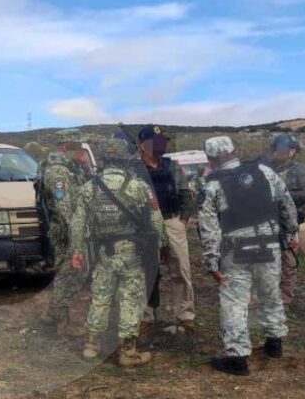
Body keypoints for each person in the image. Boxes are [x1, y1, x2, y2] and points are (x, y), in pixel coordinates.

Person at [197, 136, 299, 376]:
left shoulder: (211, 186)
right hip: (269, 244)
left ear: (210, 158)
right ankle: (274, 343)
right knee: (271, 294)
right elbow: (287, 203)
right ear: (235, 151)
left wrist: (212, 262)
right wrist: (292, 233)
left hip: (235, 250)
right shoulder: (264, 171)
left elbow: (209, 228)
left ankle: (237, 358)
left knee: (234, 302)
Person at [69, 136, 168, 367]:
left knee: (100, 297)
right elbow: (157, 222)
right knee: (130, 299)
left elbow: (78, 223)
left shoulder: (89, 188)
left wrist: (77, 252)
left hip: (104, 252)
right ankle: (128, 352)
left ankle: (91, 346)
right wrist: (160, 246)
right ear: (125, 158)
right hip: (132, 252)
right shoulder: (138, 187)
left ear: (103, 158)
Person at [135, 125, 197, 337]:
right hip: (145, 226)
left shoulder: (173, 166)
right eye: (155, 141)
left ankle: (185, 316)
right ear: (143, 146)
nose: (161, 145)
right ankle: (146, 317)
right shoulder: (135, 169)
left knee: (181, 270)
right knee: (146, 272)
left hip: (172, 221)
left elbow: (185, 193)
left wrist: (183, 221)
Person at [37, 151, 85, 337]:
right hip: (67, 231)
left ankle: (51, 313)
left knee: (67, 271)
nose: (83, 152)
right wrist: (76, 236)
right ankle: (61, 320)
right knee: (68, 273)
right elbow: (64, 208)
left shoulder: (63, 169)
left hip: (65, 229)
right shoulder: (59, 172)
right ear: (68, 147)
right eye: (79, 147)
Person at [269, 134, 305, 307]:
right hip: (266, 222)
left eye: (280, 149)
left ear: (292, 151)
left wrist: (281, 195)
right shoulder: (267, 169)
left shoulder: (300, 170)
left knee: (288, 261)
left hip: (288, 224)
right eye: (275, 149)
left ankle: (284, 300)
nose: (276, 152)